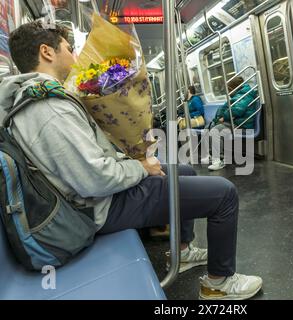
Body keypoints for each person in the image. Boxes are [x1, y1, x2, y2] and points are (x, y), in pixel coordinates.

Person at [1, 21, 262, 300]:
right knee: (224, 194)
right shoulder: (49, 109)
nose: (74, 56)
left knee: (182, 169)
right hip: (95, 208)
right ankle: (218, 283)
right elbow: (94, 179)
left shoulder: (34, 100)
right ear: (47, 52)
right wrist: (140, 167)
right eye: (69, 48)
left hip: (87, 198)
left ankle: (183, 251)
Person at [207, 76, 258, 171]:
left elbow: (237, 110)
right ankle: (213, 154)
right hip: (236, 122)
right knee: (212, 127)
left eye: (229, 89)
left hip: (241, 124)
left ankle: (219, 160)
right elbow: (228, 107)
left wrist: (224, 117)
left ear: (234, 88)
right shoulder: (239, 95)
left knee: (215, 131)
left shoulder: (244, 95)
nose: (228, 92)